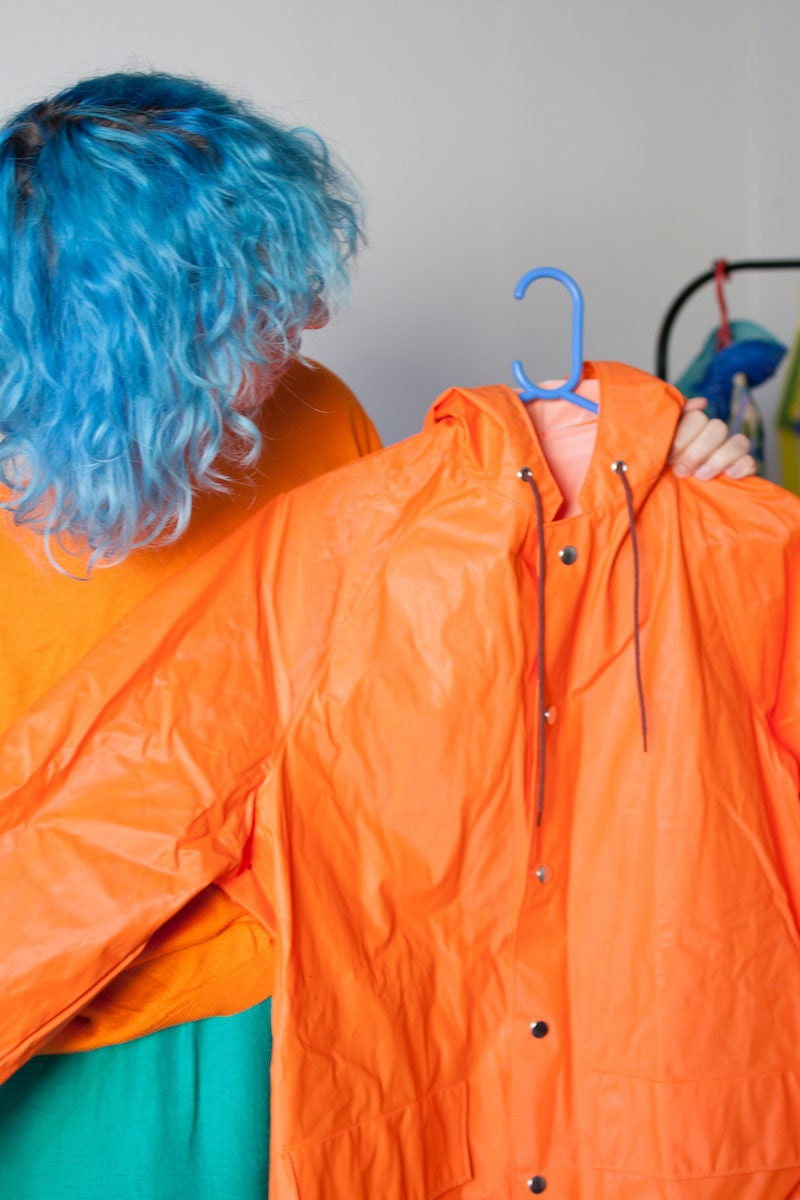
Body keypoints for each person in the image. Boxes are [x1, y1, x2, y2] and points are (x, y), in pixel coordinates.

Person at [0, 72, 755, 1200]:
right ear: (129, 339)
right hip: (58, 1034)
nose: (303, 322)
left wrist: (650, 489)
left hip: (287, 1006)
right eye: (253, 307)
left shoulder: (313, 414)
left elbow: (426, 678)